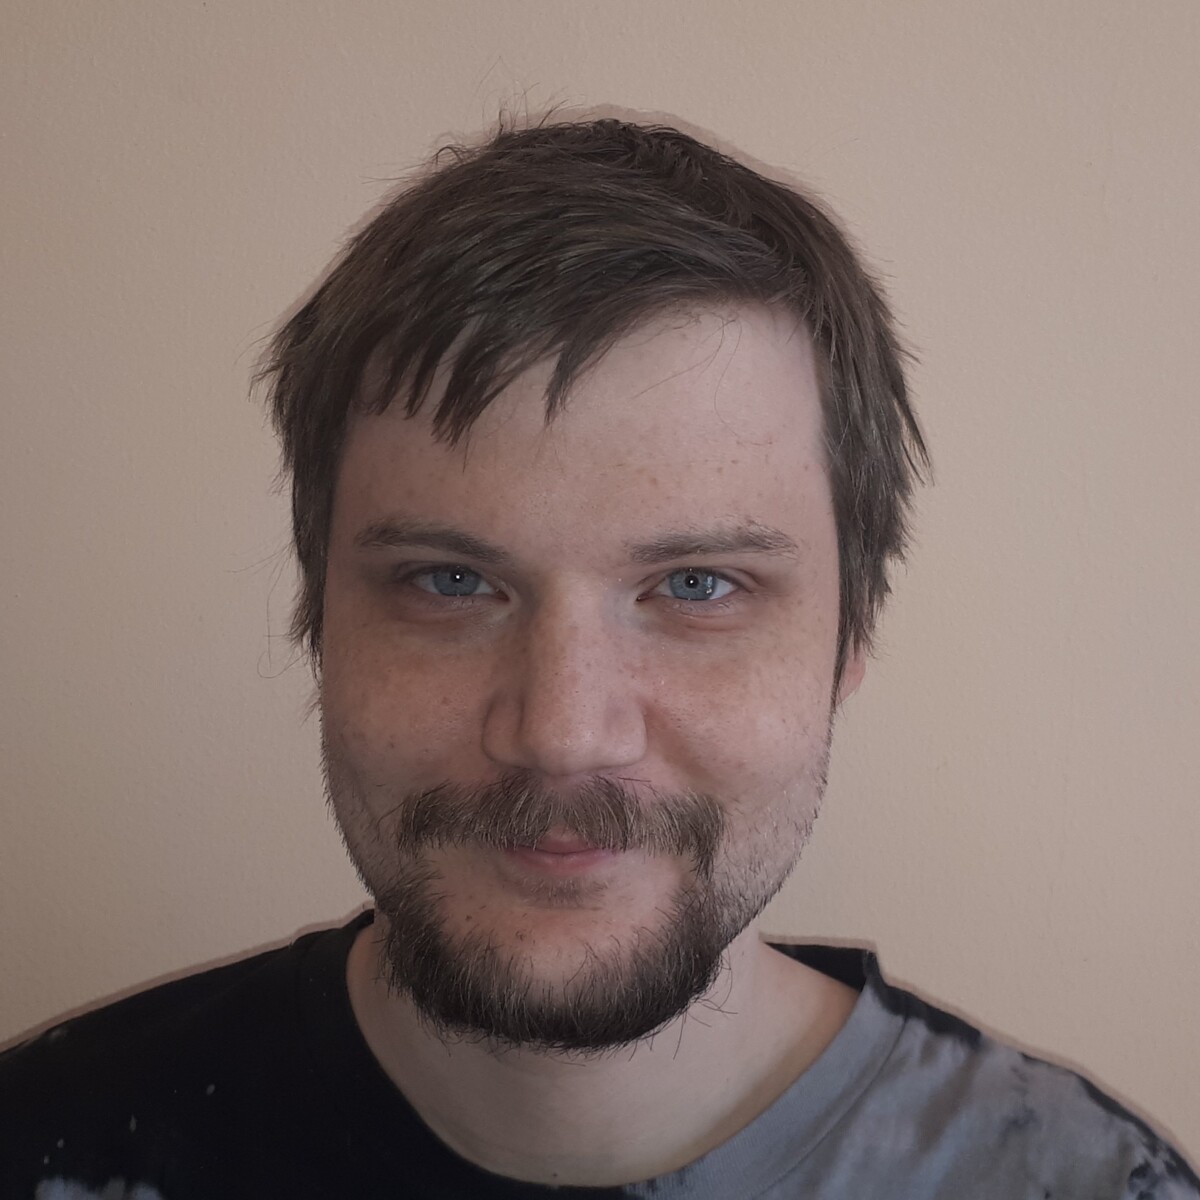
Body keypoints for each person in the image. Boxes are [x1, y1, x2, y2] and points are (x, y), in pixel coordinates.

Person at [1, 116, 1195, 1200]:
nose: (563, 730)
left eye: (697, 587)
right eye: (449, 582)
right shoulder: (48, 1145)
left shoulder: (1082, 1183)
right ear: (320, 617)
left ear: (849, 643)